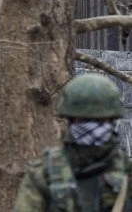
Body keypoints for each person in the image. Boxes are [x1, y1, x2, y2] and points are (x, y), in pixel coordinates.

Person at [14, 73, 131, 211]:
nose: (92, 126)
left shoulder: (127, 171)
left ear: (112, 120)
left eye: (100, 120)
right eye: (83, 120)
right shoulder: (44, 172)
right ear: (70, 120)